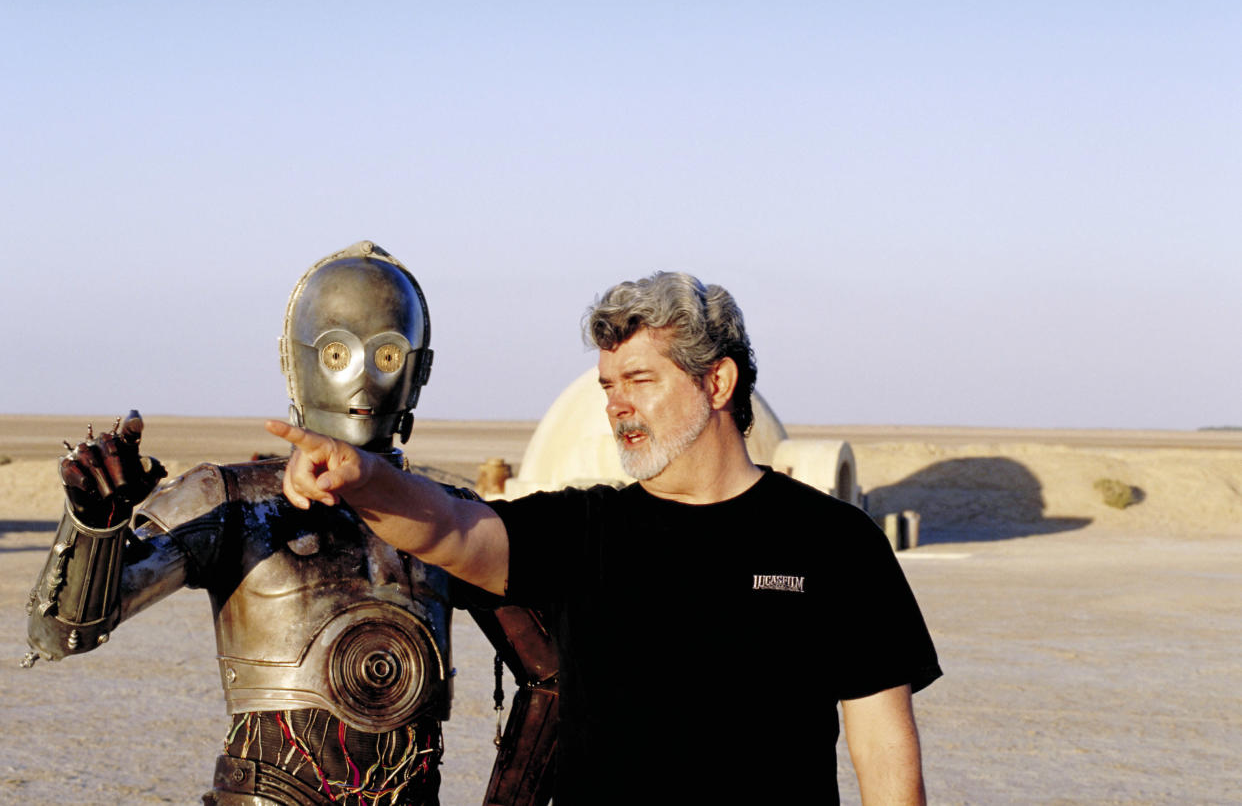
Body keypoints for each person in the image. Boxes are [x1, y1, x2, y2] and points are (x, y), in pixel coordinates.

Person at [269, 271, 942, 805]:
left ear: (718, 381)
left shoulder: (833, 542)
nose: (617, 403)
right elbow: (450, 527)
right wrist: (362, 479)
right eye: (607, 385)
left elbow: (882, 747)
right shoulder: (584, 532)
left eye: (640, 380)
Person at [26, 242, 556, 806]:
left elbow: (551, 675)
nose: (362, 381)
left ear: (419, 367)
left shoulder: (446, 517)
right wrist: (94, 526)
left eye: (388, 356)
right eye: (336, 354)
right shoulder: (231, 499)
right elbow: (62, 632)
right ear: (296, 360)